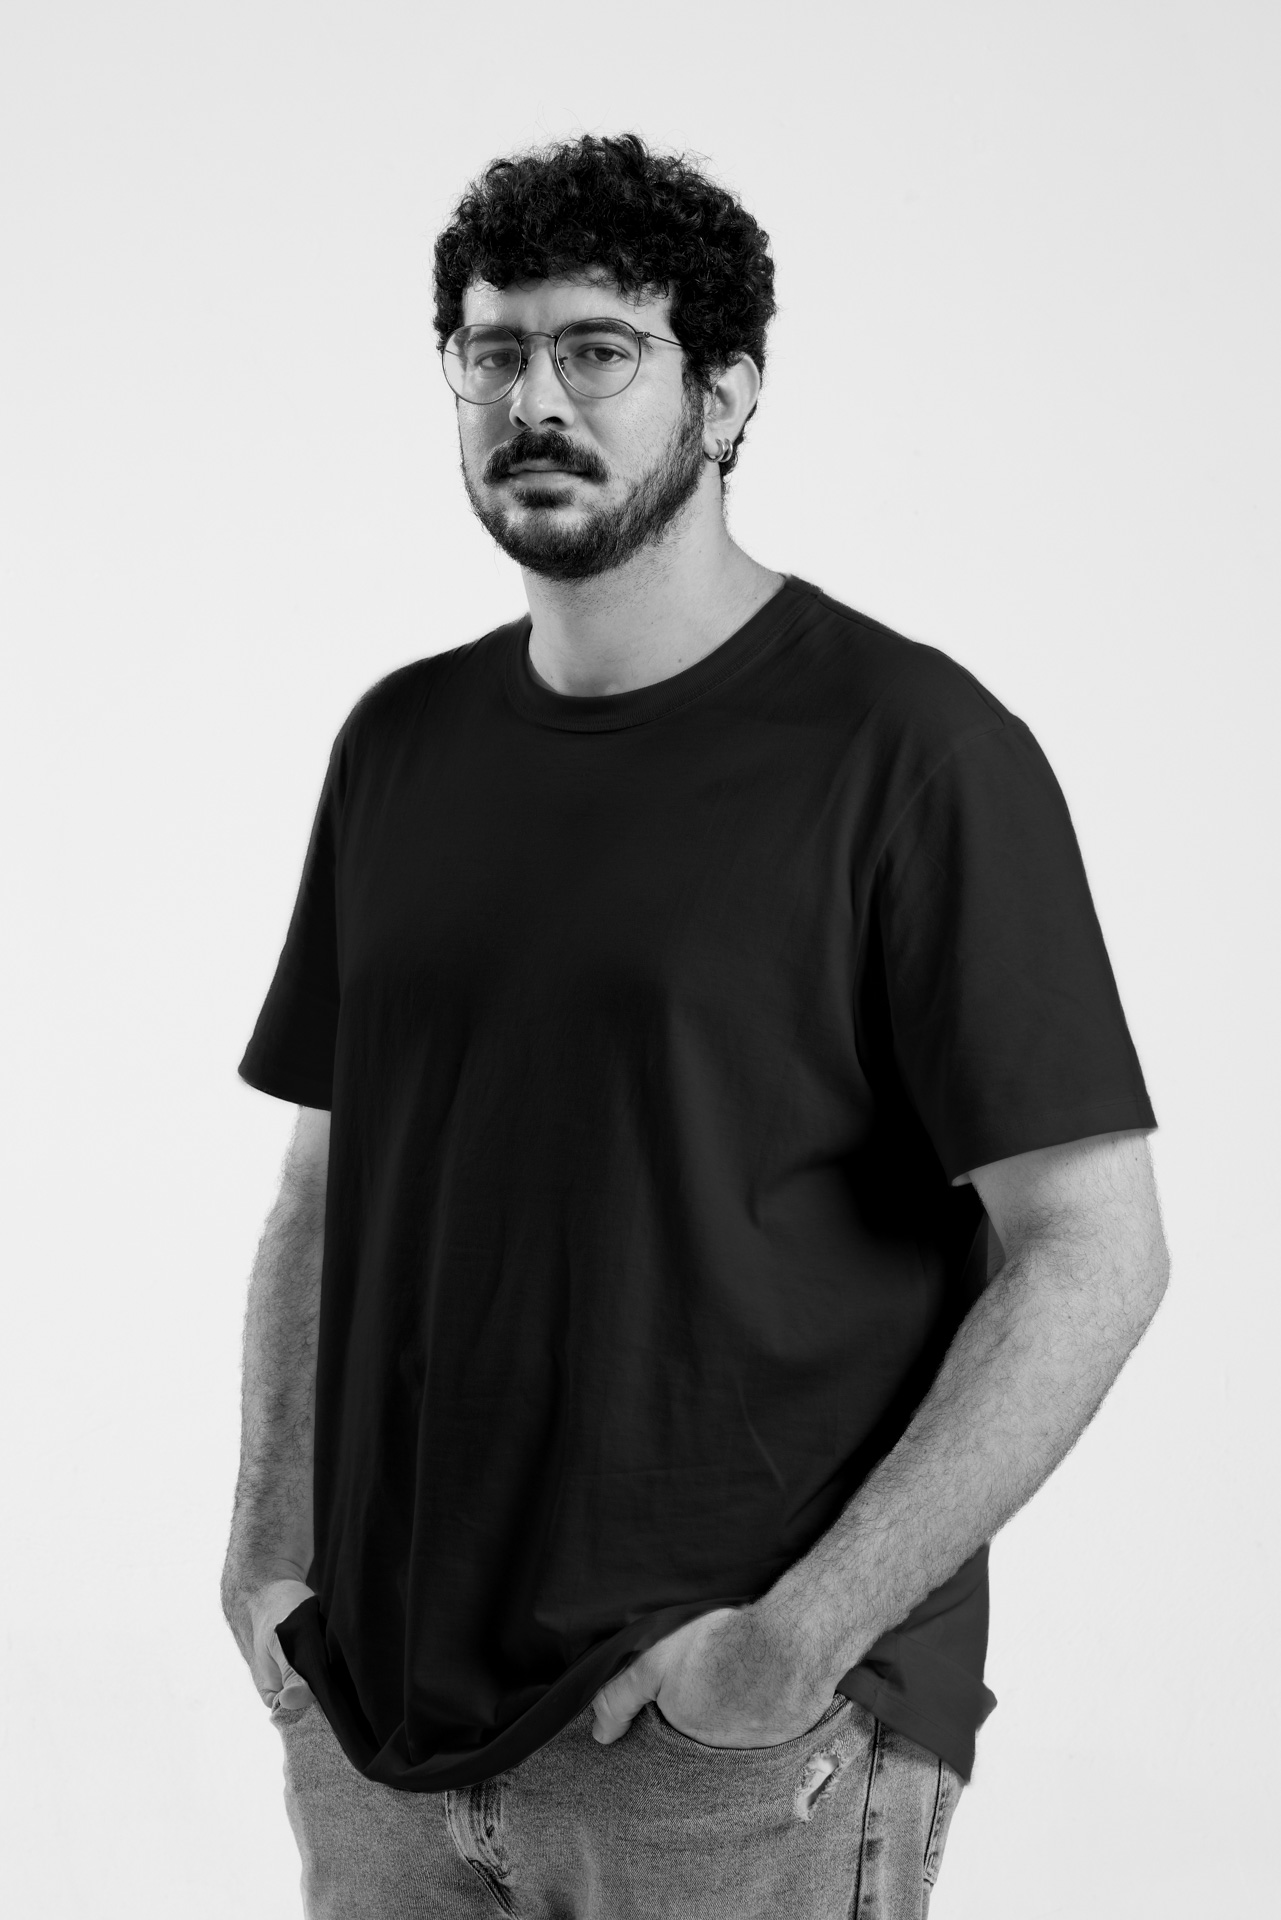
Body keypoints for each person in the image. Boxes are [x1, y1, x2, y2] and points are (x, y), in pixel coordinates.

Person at [222, 132, 1168, 1919]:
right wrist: (271, 1544)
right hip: (378, 1729)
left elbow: (1093, 1249)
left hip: (722, 1746)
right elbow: (322, 1190)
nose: (534, 401)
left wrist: (795, 1638)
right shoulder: (399, 745)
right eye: (492, 353)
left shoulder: (911, 752)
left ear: (723, 397)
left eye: (599, 351)